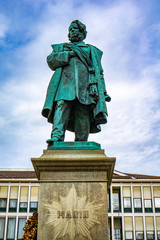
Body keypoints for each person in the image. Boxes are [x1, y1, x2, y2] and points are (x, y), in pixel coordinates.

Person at [42, 20, 111, 143]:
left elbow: (99, 71)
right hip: (65, 85)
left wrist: (102, 90)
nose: (71, 31)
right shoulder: (62, 47)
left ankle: (81, 141)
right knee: (61, 106)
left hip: (85, 86)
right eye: (70, 30)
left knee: (83, 111)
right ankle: (57, 137)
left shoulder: (91, 50)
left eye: (74, 29)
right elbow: (51, 61)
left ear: (82, 32)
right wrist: (69, 54)